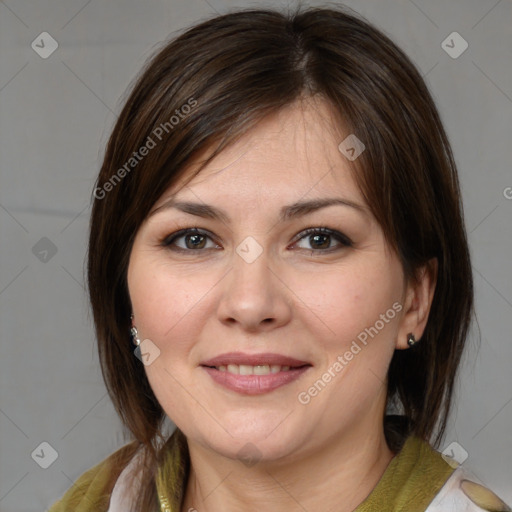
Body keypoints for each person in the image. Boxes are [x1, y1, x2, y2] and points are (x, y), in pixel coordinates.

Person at [49, 5, 511, 512]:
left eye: (318, 240)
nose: (250, 304)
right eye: (193, 240)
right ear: (125, 289)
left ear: (415, 300)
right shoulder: (95, 500)